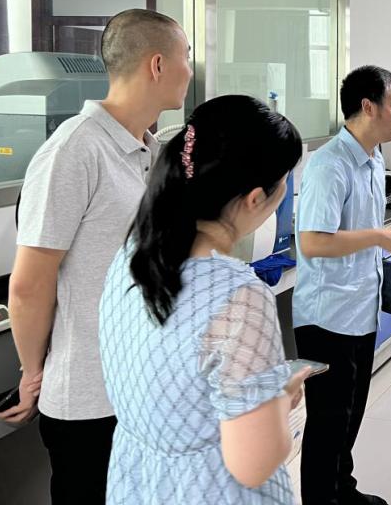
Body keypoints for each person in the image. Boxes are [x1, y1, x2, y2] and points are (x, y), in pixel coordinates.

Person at [0, 9, 192, 503]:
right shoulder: (74, 150)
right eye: (186, 57)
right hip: (88, 398)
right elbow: (30, 283)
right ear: (157, 65)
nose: (191, 70)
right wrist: (32, 373)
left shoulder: (148, 151)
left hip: (139, 387)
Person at [98, 95, 306, 503]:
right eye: (284, 182)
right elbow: (255, 463)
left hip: (137, 483)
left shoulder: (131, 257)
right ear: (255, 199)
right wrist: (281, 396)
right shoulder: (240, 298)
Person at [294, 65, 391, 505]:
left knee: (350, 416)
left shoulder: (373, 157)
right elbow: (313, 242)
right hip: (327, 317)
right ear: (368, 107)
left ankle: (342, 490)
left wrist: (379, 240)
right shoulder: (330, 164)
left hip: (360, 309)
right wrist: (379, 236)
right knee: (327, 421)